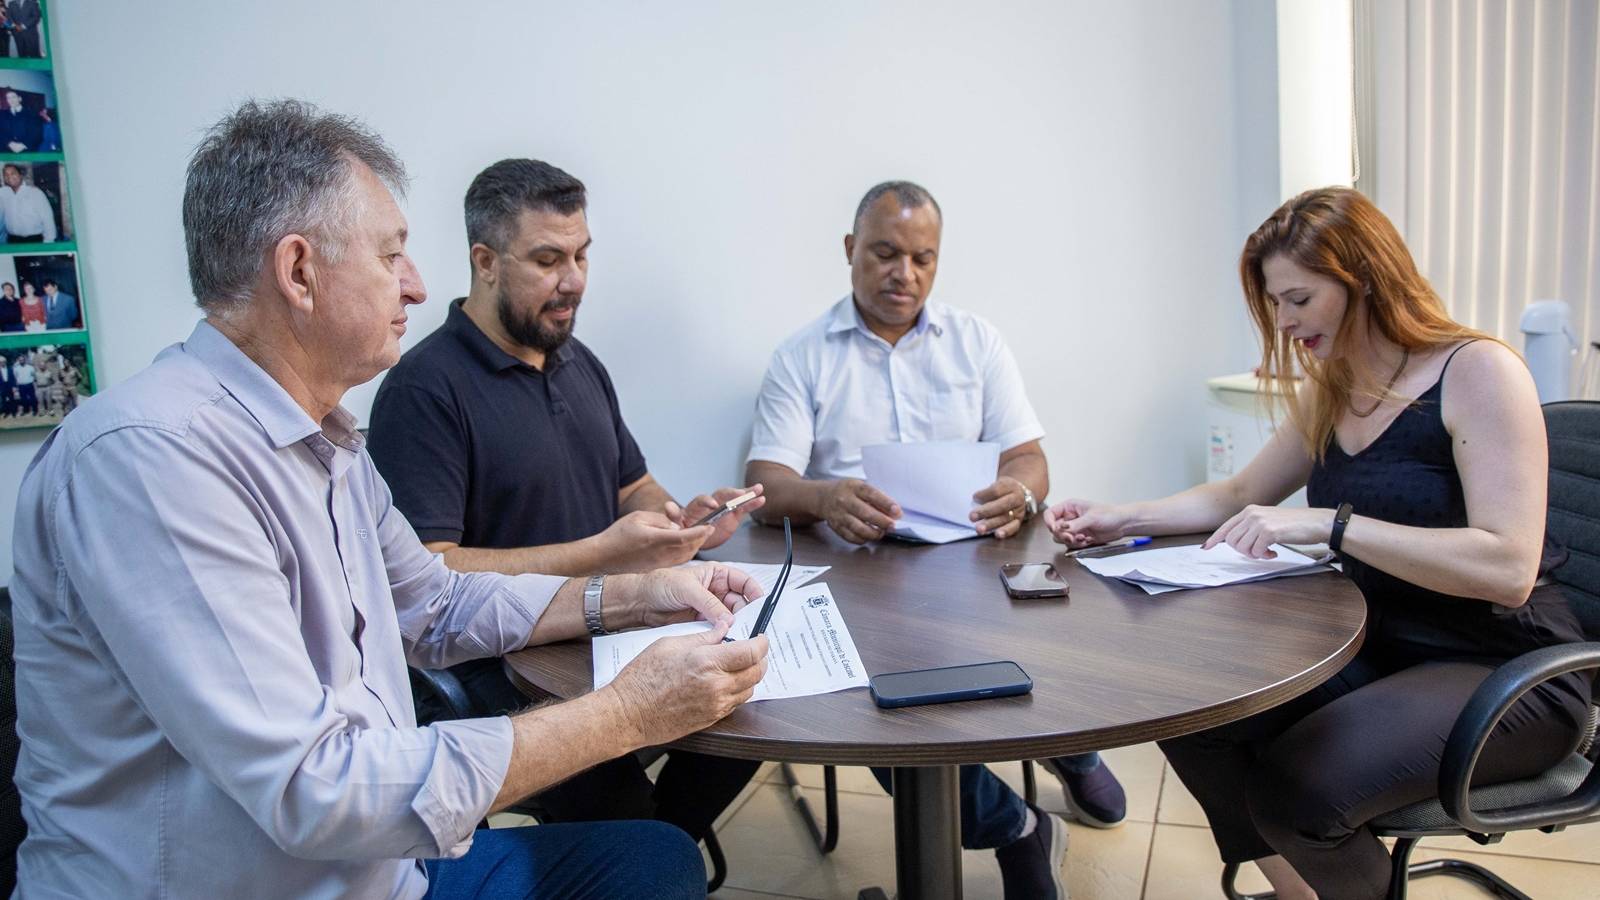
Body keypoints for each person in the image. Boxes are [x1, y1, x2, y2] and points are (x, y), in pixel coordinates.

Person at [9, 98, 773, 899]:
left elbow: (436, 603)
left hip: (381, 870)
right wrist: (627, 713)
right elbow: (316, 789)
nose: (414, 285)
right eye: (391, 255)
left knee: (654, 858)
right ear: (299, 271)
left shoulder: (327, 444)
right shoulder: (150, 460)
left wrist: (638, 596)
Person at [1045, 186, 1593, 900]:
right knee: (1192, 710)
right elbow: (1242, 495)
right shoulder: (1335, 386)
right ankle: (1313, 892)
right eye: (1274, 303)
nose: (1284, 321)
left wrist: (1333, 525)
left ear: (1363, 278)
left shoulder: (1479, 373)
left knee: (1299, 790)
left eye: (1298, 299)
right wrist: (1123, 516)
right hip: (1381, 646)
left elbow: (1509, 567)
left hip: (1507, 669)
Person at [368, 157, 768, 845]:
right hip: (504, 662)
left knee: (753, 700)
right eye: (549, 259)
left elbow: (632, 487)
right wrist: (601, 556)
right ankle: (646, 848)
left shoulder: (578, 362)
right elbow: (429, 575)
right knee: (627, 815)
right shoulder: (423, 390)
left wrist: (688, 520)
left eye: (582, 255)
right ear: (485, 261)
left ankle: (657, 847)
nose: (575, 280)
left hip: (611, 623)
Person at [743, 181, 1125, 899]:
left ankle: (1073, 754)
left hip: (975, 562)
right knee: (884, 717)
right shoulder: (802, 356)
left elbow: (1028, 456)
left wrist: (1024, 490)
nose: (905, 275)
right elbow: (764, 483)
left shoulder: (976, 341)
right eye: (886, 253)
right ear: (850, 250)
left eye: (924, 258)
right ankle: (1018, 827)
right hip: (864, 580)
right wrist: (825, 496)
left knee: (1064, 639)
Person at [0, 163, 56, 243]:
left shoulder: (35, 193)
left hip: (34, 240)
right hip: (12, 241)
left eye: (13, 173)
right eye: (6, 175)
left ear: (20, 175)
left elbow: (47, 218)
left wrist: (49, 242)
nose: (9, 177)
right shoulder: (4, 193)